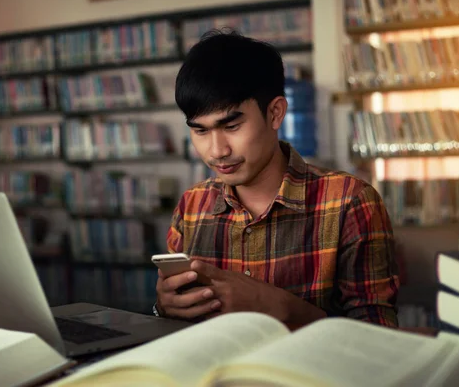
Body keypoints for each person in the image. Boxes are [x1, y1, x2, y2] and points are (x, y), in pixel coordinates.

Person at [153, 30, 400, 329]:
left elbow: (379, 342)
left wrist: (280, 308)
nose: (217, 151)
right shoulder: (192, 206)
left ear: (275, 113)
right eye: (201, 131)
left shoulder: (350, 201)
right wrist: (164, 308)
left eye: (231, 125)